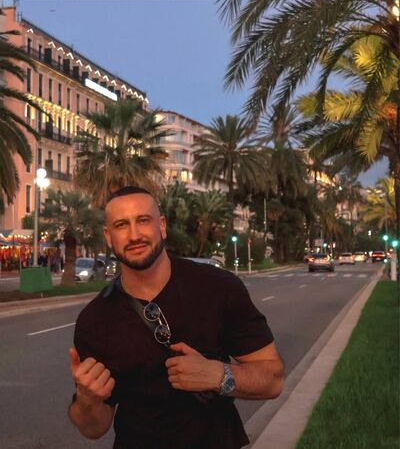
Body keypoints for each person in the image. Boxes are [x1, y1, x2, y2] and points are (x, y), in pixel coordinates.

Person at [68, 186, 284, 449]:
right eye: (122, 225)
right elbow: (94, 428)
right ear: (108, 236)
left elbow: (273, 380)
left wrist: (219, 375)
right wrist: (87, 400)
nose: (134, 235)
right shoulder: (95, 320)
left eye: (143, 220)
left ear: (162, 226)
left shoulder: (218, 288)